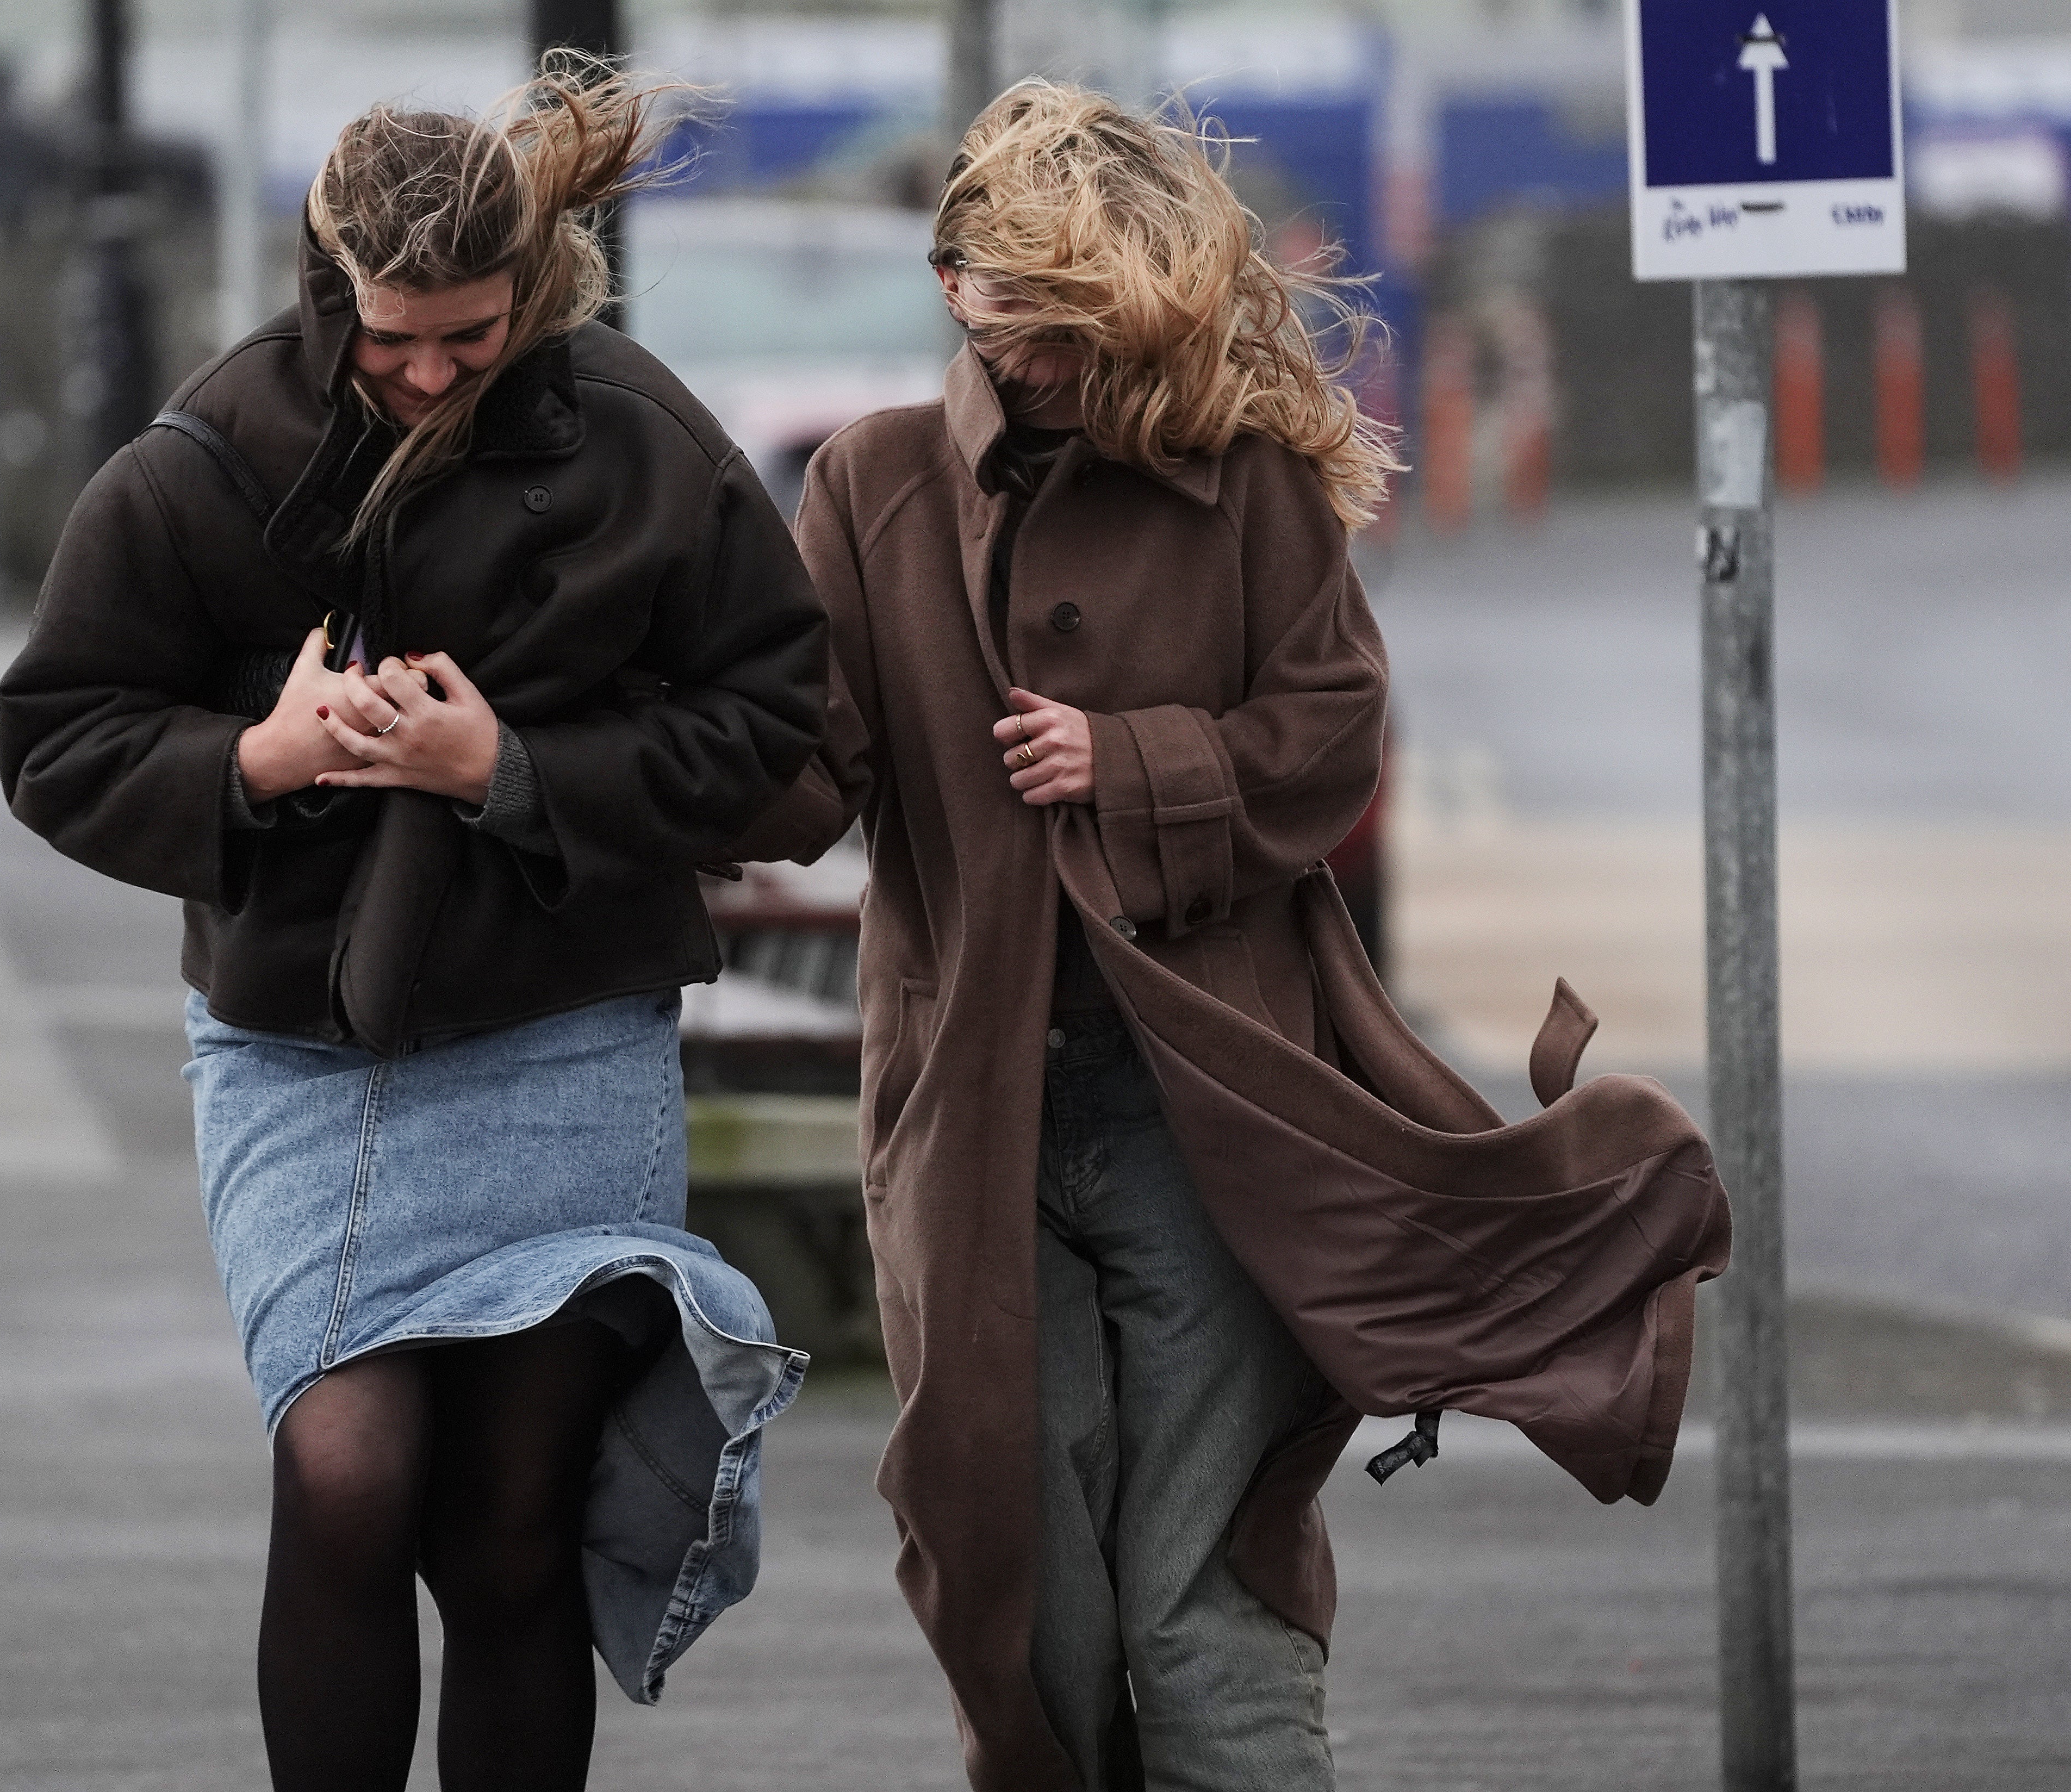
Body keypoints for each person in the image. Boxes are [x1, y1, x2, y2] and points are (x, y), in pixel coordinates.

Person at [736, 82, 1730, 1792]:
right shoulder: (873, 487)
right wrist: (621, 748)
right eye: (1014, 314)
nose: (1041, 360)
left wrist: (1133, 764)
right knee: (1015, 1581)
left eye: (1079, 324)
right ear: (956, 280)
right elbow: (800, 783)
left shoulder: (1247, 483)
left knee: (1207, 1589)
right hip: (970, 1118)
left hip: (1211, 1115)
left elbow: (1336, 731)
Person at [0, 64, 824, 1792]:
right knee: (349, 1470)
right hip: (298, 1043)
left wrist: (507, 767)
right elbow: (57, 732)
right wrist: (262, 757)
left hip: (566, 1022)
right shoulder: (209, 456)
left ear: (532, 285)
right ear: (331, 282)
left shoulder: (643, 438)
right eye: (396, 338)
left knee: (514, 1521)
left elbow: (777, 732)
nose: (436, 370)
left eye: (473, 331)